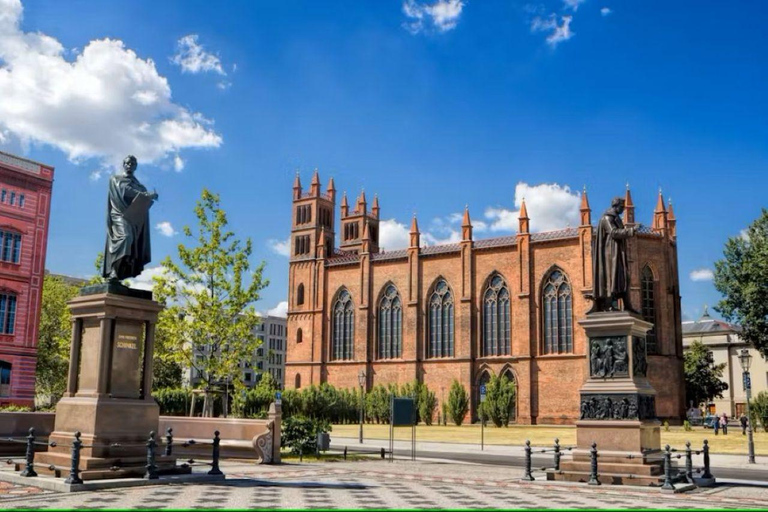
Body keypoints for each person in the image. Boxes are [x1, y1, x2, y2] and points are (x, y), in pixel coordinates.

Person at [102, 155, 158, 281]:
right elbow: (124, 190)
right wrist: (146, 195)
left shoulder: (140, 186)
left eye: (132, 164)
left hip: (134, 218)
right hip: (119, 214)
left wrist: (148, 197)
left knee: (132, 246)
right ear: (123, 164)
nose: (129, 165)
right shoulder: (116, 179)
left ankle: (119, 273)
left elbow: (141, 200)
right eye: (127, 163)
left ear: (136, 166)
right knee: (125, 238)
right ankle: (113, 270)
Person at [588, 197, 637, 313]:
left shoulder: (615, 217)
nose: (623, 209)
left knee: (624, 277)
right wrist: (631, 231)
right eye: (622, 207)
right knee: (611, 278)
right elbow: (614, 233)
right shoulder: (607, 218)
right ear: (616, 206)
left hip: (617, 251)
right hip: (610, 253)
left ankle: (627, 305)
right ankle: (608, 305)